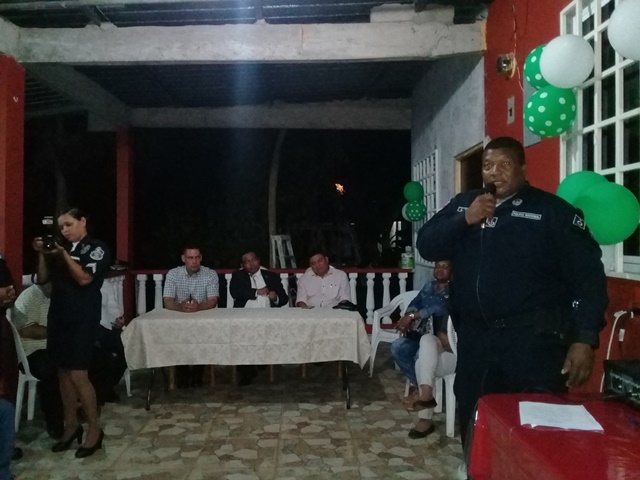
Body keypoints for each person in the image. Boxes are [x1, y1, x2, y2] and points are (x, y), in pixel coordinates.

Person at [416, 137, 608, 445]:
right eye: (488, 166)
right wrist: (465, 219)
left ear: (522, 168)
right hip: (476, 341)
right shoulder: (465, 204)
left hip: (532, 343)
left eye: (505, 165)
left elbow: (589, 278)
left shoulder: (551, 212)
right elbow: (427, 244)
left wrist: (584, 338)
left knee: (531, 433)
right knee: (475, 423)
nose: (495, 172)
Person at [33, 207, 111, 458]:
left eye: (69, 224)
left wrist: (64, 254)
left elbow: (84, 278)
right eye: (61, 227)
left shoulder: (96, 248)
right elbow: (42, 279)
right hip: (59, 316)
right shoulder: (58, 248)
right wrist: (43, 253)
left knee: (78, 373)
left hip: (82, 318)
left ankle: (94, 429)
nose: (64, 230)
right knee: (63, 373)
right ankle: (71, 426)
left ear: (82, 221)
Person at [390, 260, 456, 438]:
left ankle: (425, 417)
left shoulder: (455, 291)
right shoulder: (429, 286)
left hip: (452, 348)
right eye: (438, 266)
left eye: (445, 267)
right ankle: (424, 391)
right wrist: (408, 316)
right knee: (402, 347)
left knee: (422, 362)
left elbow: (440, 307)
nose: (440, 269)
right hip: (426, 337)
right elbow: (415, 302)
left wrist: (413, 315)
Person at [11, 282, 65, 439]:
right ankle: (55, 423)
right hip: (31, 353)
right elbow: (27, 330)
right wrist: (58, 331)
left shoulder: (57, 296)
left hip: (52, 348)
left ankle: (78, 410)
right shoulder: (29, 297)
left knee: (81, 359)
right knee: (51, 370)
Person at [163, 244, 219, 388]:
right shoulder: (173, 274)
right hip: (179, 318)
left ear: (201, 258)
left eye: (197, 257)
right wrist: (181, 307)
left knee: (203, 337)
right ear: (183, 259)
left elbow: (213, 301)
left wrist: (198, 307)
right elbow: (168, 300)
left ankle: (197, 374)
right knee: (176, 338)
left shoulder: (210, 274)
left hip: (203, 317)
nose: (194, 261)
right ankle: (182, 374)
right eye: (190, 258)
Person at [229, 250, 289, 385]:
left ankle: (261, 363)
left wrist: (275, 298)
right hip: (244, 317)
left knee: (267, 333)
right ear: (242, 265)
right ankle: (246, 371)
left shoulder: (271, 276)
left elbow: (284, 299)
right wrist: (256, 292)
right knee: (242, 336)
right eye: (247, 262)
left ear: (258, 260)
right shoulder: (238, 276)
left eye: (253, 260)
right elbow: (235, 293)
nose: (251, 264)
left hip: (268, 318)